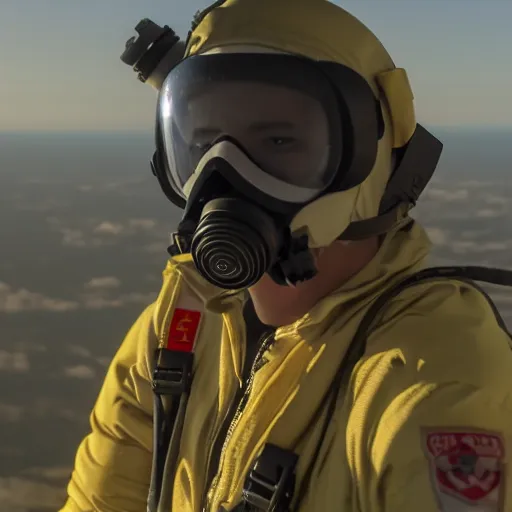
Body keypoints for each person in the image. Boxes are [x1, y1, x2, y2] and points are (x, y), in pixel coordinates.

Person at [60, 0, 512, 511]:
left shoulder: (433, 374)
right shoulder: (178, 326)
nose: (224, 178)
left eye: (279, 141)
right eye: (204, 144)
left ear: (364, 159)